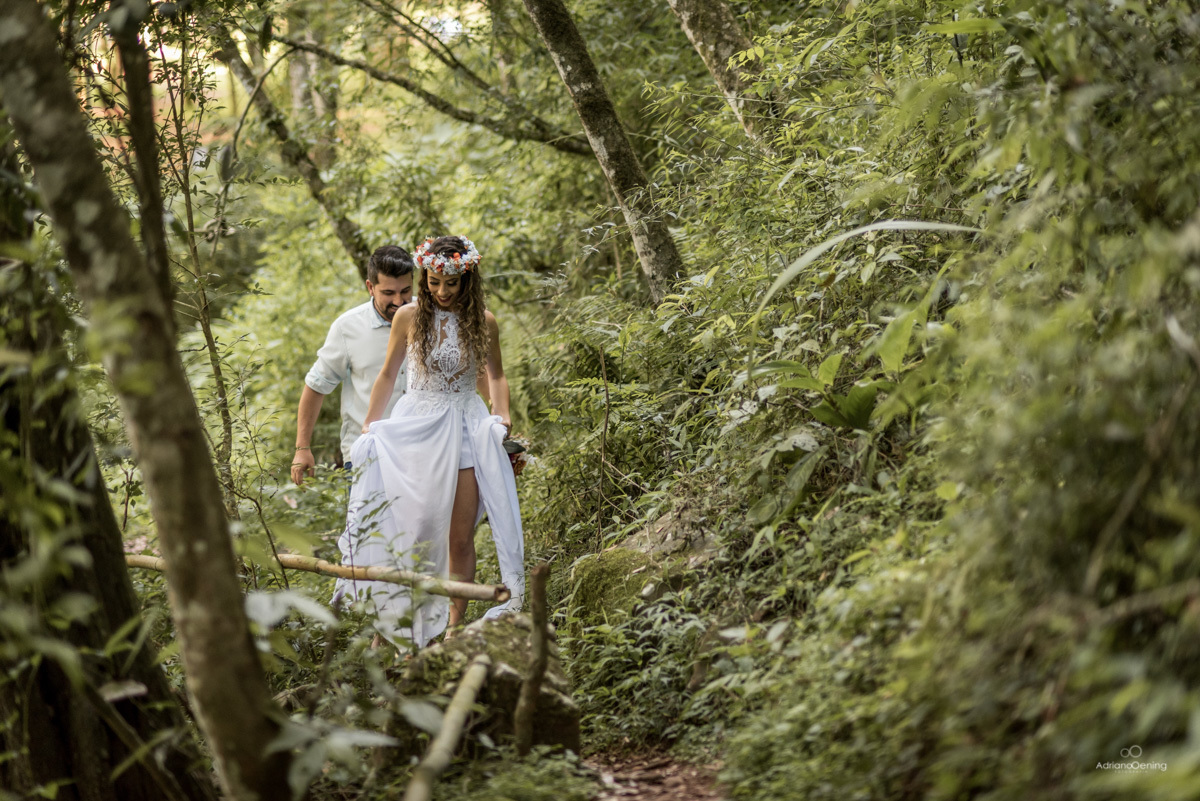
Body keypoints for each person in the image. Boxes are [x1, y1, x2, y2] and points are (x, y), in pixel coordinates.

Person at [334, 235, 524, 647]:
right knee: (415, 529)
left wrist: (502, 418)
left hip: (466, 426)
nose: (442, 291)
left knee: (459, 536)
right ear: (425, 277)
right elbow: (387, 375)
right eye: (434, 281)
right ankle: (404, 620)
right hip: (416, 425)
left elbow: (496, 375)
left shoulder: (484, 321)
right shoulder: (408, 316)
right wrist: (370, 427)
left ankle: (452, 626)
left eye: (451, 283)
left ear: (466, 279)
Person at [291, 246, 414, 484]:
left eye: (406, 291)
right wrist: (302, 447)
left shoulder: (430, 317)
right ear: (370, 287)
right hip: (367, 454)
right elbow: (316, 386)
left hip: (422, 451)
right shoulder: (347, 328)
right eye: (388, 292)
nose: (399, 301)